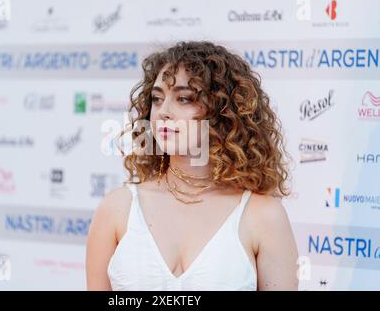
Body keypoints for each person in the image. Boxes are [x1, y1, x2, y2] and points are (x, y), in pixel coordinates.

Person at [86, 41, 299, 291]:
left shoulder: (263, 216)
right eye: (157, 98)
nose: (163, 111)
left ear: (223, 111)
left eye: (184, 98)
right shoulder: (117, 208)